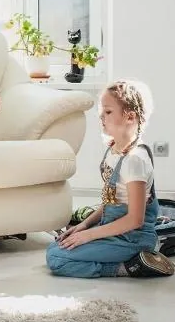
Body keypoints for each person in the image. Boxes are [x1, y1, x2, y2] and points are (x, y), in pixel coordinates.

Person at [46, 79, 175, 279]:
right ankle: (122, 257)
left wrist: (88, 235)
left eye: (107, 112)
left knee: (57, 258)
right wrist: (83, 226)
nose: (101, 116)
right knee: (56, 246)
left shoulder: (135, 160)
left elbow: (135, 219)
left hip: (132, 239)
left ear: (130, 116)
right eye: (101, 111)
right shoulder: (113, 150)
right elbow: (110, 202)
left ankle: (130, 266)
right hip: (114, 230)